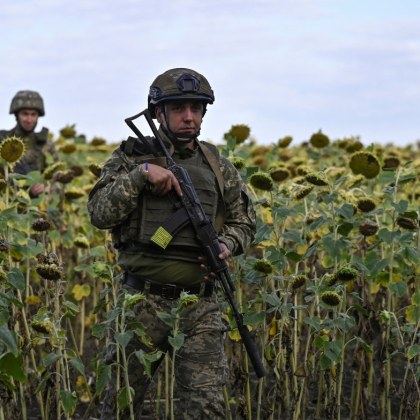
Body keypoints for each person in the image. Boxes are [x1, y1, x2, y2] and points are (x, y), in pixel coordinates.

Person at [87, 68, 256, 419]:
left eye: (196, 108)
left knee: (207, 409)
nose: (189, 116)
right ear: (158, 113)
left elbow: (245, 221)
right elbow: (100, 213)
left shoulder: (218, 166)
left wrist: (226, 244)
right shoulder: (130, 158)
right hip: (141, 304)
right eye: (179, 108)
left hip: (201, 306)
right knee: (121, 407)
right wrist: (141, 176)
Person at [0, 90, 58, 196]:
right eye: (25, 114)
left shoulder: (46, 144)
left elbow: (56, 175)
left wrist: (47, 187)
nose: (29, 119)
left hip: (37, 206)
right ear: (17, 115)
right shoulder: (3, 141)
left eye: (33, 114)